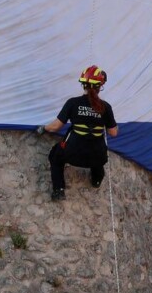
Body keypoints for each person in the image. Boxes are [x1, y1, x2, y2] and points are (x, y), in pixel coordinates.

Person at [37, 65, 119, 201]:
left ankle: (59, 190)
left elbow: (55, 127)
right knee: (99, 157)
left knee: (55, 156)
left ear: (83, 85)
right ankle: (96, 180)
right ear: (100, 87)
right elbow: (113, 133)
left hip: (73, 154)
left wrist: (44, 128)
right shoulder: (106, 107)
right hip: (96, 156)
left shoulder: (73, 103)